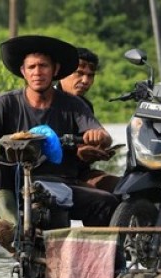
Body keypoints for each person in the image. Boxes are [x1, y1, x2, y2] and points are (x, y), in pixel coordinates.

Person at [0, 35, 119, 253]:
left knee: (106, 202)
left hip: (61, 183)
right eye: (32, 67)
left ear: (55, 70)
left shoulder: (73, 104)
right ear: (23, 71)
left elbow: (104, 136)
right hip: (19, 180)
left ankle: (101, 259)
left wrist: (97, 136)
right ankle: (13, 229)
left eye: (43, 66)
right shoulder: (5, 103)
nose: (37, 72)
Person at [56, 47, 121, 193]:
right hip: (54, 176)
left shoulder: (85, 104)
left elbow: (101, 137)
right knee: (105, 200)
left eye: (90, 76)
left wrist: (95, 150)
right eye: (79, 73)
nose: (85, 81)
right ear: (61, 73)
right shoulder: (47, 101)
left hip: (79, 174)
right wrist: (77, 151)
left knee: (125, 187)